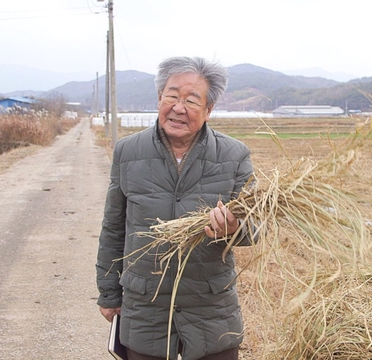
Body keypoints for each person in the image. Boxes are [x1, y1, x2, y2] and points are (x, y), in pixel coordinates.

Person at [96, 56, 255, 360]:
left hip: (211, 310)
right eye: (172, 96)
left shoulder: (234, 155)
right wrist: (108, 292)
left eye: (192, 100)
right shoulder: (128, 152)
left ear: (209, 110)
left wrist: (235, 228)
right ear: (159, 98)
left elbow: (259, 225)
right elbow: (114, 227)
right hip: (146, 310)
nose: (178, 107)